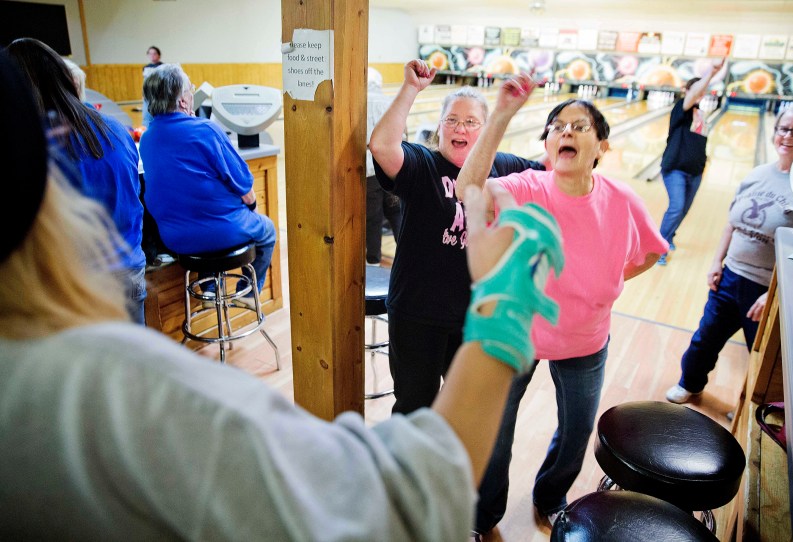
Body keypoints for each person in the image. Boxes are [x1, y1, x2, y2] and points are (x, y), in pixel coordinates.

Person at [0, 48, 566, 538]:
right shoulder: (113, 389)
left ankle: (485, 514)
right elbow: (393, 506)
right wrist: (507, 303)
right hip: (424, 317)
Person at [453, 75, 668, 538]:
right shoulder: (528, 186)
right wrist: (503, 115)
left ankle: (551, 497)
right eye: (557, 126)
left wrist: (610, 281)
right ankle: (482, 516)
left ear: (601, 146)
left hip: (586, 337)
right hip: (521, 334)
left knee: (575, 433)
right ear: (548, 143)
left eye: (580, 126)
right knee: (496, 433)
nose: (566, 131)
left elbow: (652, 251)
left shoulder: (622, 200)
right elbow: (468, 188)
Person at [369, 59, 545, 415]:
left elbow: (552, 175)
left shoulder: (504, 166)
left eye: (470, 121)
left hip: (472, 317)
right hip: (416, 313)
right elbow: (383, 147)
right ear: (440, 127)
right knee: (414, 407)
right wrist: (411, 89)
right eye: (451, 119)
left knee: (464, 410)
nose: (459, 128)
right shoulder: (423, 164)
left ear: (484, 129)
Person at [665, 103, 793, 404]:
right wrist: (716, 262)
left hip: (767, 290)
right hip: (729, 278)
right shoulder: (758, 174)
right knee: (704, 340)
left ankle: (749, 410)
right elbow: (731, 222)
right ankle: (690, 383)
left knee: (763, 359)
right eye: (782, 128)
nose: (786, 135)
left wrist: (776, 293)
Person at [7, 38, 147, 325]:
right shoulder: (117, 128)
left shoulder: (30, 143)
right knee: (132, 363)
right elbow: (134, 195)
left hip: (69, 285)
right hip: (129, 269)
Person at [140, 64, 276, 303]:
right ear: (183, 101)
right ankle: (249, 292)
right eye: (190, 90)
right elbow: (244, 186)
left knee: (203, 221)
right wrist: (251, 207)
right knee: (266, 231)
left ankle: (211, 286)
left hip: (174, 239)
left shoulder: (148, 138)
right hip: (221, 232)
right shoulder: (205, 130)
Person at [657, 58, 726, 265]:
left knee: (684, 210)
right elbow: (694, 93)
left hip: (695, 171)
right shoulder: (682, 109)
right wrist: (711, 74)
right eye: (697, 90)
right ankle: (659, 247)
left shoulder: (702, 115)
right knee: (676, 207)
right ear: (689, 91)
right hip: (675, 168)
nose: (700, 94)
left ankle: (669, 237)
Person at [365, 67, 402, 266]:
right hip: (392, 168)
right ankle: (406, 253)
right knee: (395, 212)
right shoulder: (391, 102)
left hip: (370, 170)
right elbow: (403, 137)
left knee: (373, 217)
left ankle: (373, 261)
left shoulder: (358, 103)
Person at [141, 46, 163, 127]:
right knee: (147, 114)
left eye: (154, 54)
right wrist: (143, 93)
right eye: (150, 54)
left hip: (159, 95)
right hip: (148, 95)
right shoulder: (146, 67)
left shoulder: (163, 67)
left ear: (159, 55)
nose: (152, 56)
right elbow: (145, 82)